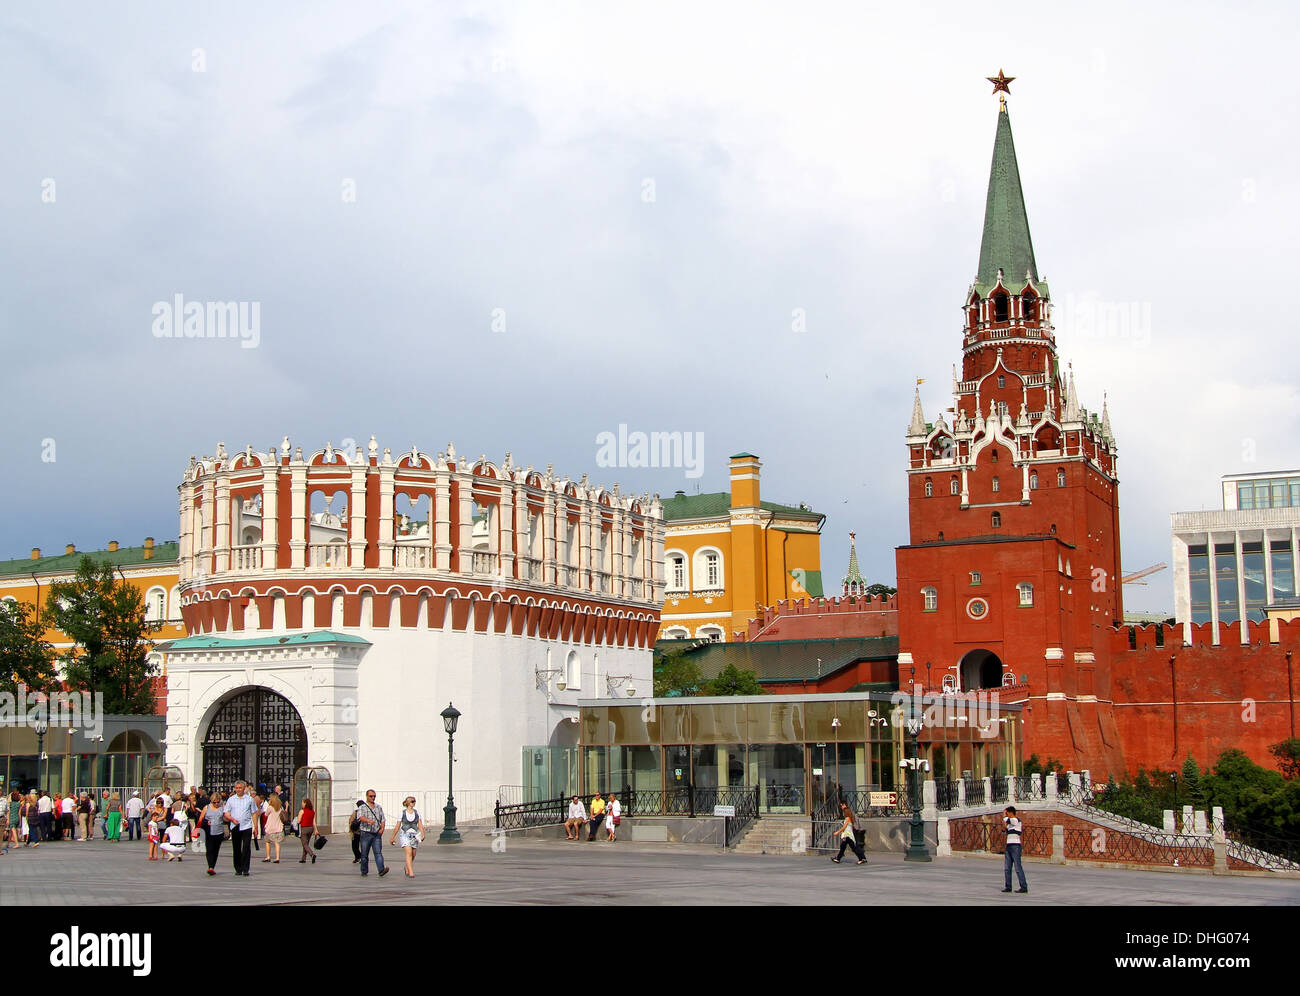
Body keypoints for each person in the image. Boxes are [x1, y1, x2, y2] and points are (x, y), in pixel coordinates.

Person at [223, 780, 260, 876]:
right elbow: (226, 812)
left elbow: (254, 813)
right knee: (236, 847)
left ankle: (245, 868)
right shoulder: (231, 799)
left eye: (240, 788)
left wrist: (255, 827)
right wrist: (231, 819)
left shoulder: (249, 799)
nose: (238, 790)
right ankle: (238, 868)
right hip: (235, 825)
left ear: (244, 788)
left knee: (246, 847)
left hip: (246, 826)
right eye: (237, 788)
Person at [355, 789, 388, 877]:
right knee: (364, 854)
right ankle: (364, 871)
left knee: (378, 852)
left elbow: (383, 819)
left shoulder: (378, 807)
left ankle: (381, 870)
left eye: (374, 796)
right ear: (367, 796)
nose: (373, 798)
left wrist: (382, 829)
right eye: (371, 796)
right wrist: (368, 820)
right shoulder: (362, 807)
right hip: (366, 833)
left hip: (376, 833)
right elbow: (360, 817)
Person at [389, 796, 424, 878]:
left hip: (414, 835)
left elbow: (420, 824)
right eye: (412, 801)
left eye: (414, 801)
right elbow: (397, 826)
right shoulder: (402, 813)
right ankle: (411, 872)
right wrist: (392, 837)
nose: (414, 803)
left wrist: (422, 834)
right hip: (405, 834)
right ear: (407, 803)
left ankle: (407, 867)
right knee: (409, 853)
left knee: (413, 854)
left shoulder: (417, 813)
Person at [1002, 806, 1028, 894]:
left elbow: (1007, 820)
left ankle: (1024, 887)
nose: (1006, 815)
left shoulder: (1016, 820)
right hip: (1008, 846)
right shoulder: (1010, 823)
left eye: (1007, 813)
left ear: (1010, 813)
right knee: (1007, 868)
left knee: (1017, 867)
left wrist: (1004, 815)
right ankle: (1008, 886)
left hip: (1016, 846)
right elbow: (1005, 827)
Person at [200, 792, 226, 875]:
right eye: (214, 802)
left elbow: (226, 818)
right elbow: (200, 819)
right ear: (211, 801)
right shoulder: (206, 807)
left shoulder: (222, 807)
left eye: (218, 802)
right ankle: (210, 867)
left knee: (216, 850)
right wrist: (206, 822)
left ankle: (212, 866)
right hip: (209, 831)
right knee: (209, 849)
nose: (216, 804)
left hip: (219, 832)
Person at [262, 794, 285, 863]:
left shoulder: (270, 808)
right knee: (277, 843)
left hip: (270, 827)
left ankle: (268, 856)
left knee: (267, 841)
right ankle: (277, 857)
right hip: (278, 827)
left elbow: (266, 814)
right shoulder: (280, 808)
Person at [296, 797, 317, 864]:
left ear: (305, 803)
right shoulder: (312, 812)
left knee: (304, 844)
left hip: (304, 828)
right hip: (311, 829)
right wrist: (316, 830)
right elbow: (314, 822)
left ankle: (312, 854)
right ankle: (303, 858)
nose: (301, 804)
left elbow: (298, 821)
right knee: (306, 844)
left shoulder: (302, 811)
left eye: (302, 802)